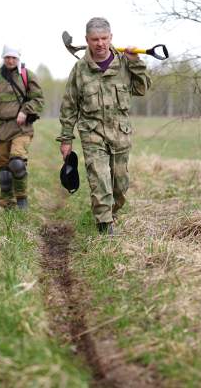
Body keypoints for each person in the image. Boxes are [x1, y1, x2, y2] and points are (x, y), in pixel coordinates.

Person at [57, 17, 151, 235]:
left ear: (111, 38)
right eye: (94, 39)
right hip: (92, 133)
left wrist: (136, 61)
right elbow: (69, 105)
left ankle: (112, 211)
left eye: (104, 38)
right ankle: (104, 225)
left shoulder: (125, 63)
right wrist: (66, 139)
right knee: (99, 179)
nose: (99, 43)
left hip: (120, 132)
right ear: (86, 40)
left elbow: (142, 88)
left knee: (120, 184)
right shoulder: (80, 69)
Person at [0, 45, 45, 210]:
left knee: (17, 163)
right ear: (3, 58)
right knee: (4, 171)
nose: (10, 60)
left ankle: (22, 197)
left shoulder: (27, 75)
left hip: (21, 128)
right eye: (7, 57)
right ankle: (8, 206)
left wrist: (25, 111)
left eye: (14, 58)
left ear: (18, 58)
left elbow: (38, 99)